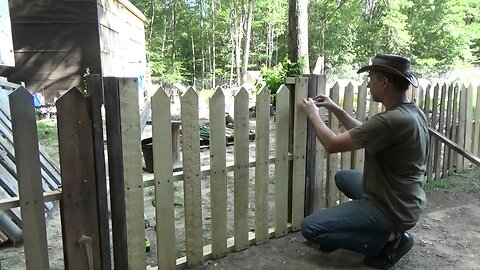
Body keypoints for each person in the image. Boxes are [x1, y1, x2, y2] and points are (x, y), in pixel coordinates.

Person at [300, 54, 429, 269]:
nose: (368, 84)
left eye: (371, 78)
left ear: (385, 82)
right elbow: (366, 132)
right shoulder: (410, 112)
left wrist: (313, 114)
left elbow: (332, 144)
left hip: (393, 208)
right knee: (343, 177)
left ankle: (387, 241)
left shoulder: (391, 120)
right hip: (403, 197)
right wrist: (335, 108)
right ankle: (376, 229)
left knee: (311, 228)